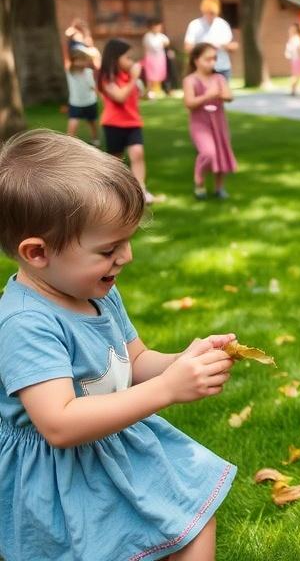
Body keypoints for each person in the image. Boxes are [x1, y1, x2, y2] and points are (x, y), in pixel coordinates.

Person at [0, 129, 237, 561]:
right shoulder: (25, 323)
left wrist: (184, 361)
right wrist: (166, 391)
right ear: (37, 253)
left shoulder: (98, 289)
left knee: (193, 521)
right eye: (109, 248)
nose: (126, 257)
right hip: (58, 479)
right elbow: (60, 424)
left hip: (113, 444)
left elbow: (135, 360)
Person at [98, 38, 154, 204]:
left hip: (133, 122)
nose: (131, 62)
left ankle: (140, 190)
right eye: (128, 58)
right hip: (114, 124)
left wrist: (144, 87)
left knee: (137, 154)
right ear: (115, 59)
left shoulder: (129, 76)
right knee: (116, 159)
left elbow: (137, 96)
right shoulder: (107, 78)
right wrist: (133, 80)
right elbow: (120, 97)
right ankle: (114, 191)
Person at [183, 43, 237, 200]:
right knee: (208, 153)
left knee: (221, 152)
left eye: (214, 59)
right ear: (196, 60)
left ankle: (219, 187)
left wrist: (221, 94)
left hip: (219, 122)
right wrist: (208, 95)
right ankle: (199, 182)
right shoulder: (190, 80)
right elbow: (189, 103)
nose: (212, 62)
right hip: (200, 124)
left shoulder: (218, 78)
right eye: (208, 59)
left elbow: (229, 96)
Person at [184, 0, 237, 83]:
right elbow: (188, 47)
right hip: (202, 69)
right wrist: (204, 49)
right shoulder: (195, 25)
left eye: (213, 13)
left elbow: (231, 46)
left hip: (222, 67)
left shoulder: (223, 24)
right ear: (203, 11)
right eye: (208, 13)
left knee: (223, 94)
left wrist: (224, 46)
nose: (211, 16)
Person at [65, 46, 101, 147]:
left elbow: (93, 87)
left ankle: (95, 139)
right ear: (73, 61)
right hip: (75, 103)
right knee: (73, 123)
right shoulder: (69, 72)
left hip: (89, 102)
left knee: (92, 122)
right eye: (78, 60)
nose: (81, 63)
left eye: (83, 60)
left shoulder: (88, 72)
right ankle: (69, 144)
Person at [142, 19, 171, 99]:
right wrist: (161, 44)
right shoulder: (148, 36)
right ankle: (150, 92)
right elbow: (153, 46)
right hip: (151, 58)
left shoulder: (160, 35)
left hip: (160, 57)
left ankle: (162, 90)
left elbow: (167, 42)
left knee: (161, 73)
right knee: (151, 75)